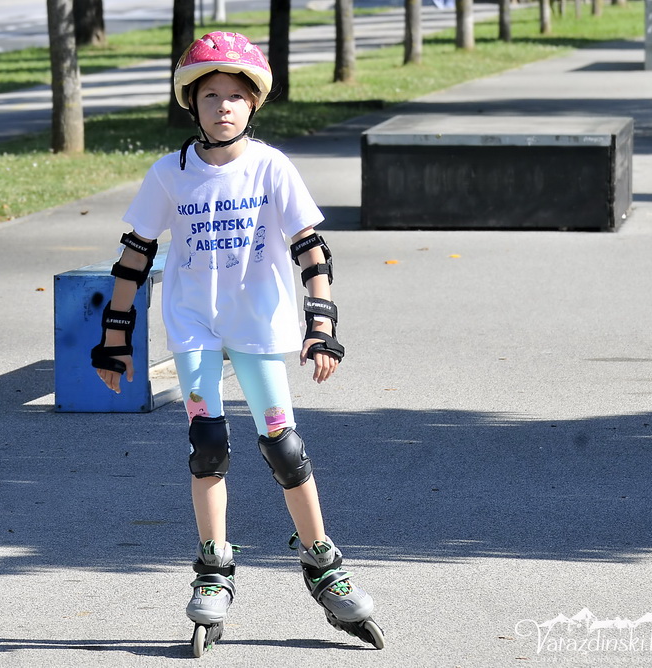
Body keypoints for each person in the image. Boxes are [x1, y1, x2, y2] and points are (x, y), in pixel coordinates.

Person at [91, 32, 384, 655]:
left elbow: (311, 248)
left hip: (257, 325)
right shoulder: (169, 174)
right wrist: (115, 336)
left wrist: (323, 324)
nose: (223, 106)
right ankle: (214, 566)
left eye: (236, 96)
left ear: (254, 104)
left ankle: (320, 560)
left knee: (284, 445)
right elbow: (134, 255)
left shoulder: (271, 167)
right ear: (189, 103)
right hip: (196, 325)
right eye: (210, 95)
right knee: (208, 444)